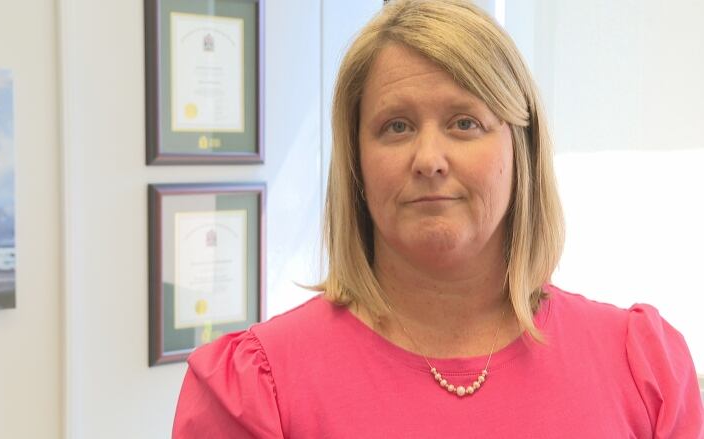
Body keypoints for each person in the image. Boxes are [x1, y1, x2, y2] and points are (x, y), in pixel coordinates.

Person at [172, 0, 704, 437]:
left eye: (465, 122)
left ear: (522, 148)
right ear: (356, 161)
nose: (428, 158)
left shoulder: (643, 369)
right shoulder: (253, 391)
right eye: (396, 126)